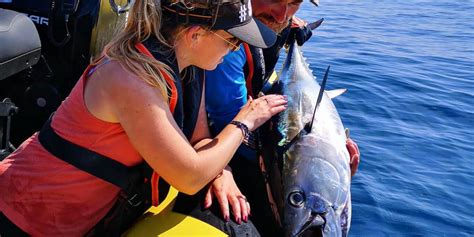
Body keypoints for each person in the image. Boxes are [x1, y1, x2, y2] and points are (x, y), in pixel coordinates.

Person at [0, 0, 287, 235]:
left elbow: (199, 140)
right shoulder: (130, 78)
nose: (235, 50)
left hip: (85, 219)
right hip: (23, 219)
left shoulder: (189, 67)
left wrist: (222, 172)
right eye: (233, 42)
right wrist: (245, 121)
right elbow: (189, 177)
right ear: (195, 35)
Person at [173, 0, 361, 236]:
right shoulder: (222, 50)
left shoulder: (270, 22)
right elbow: (230, 129)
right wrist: (222, 171)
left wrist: (329, 171)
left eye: (294, 3)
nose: (282, 15)